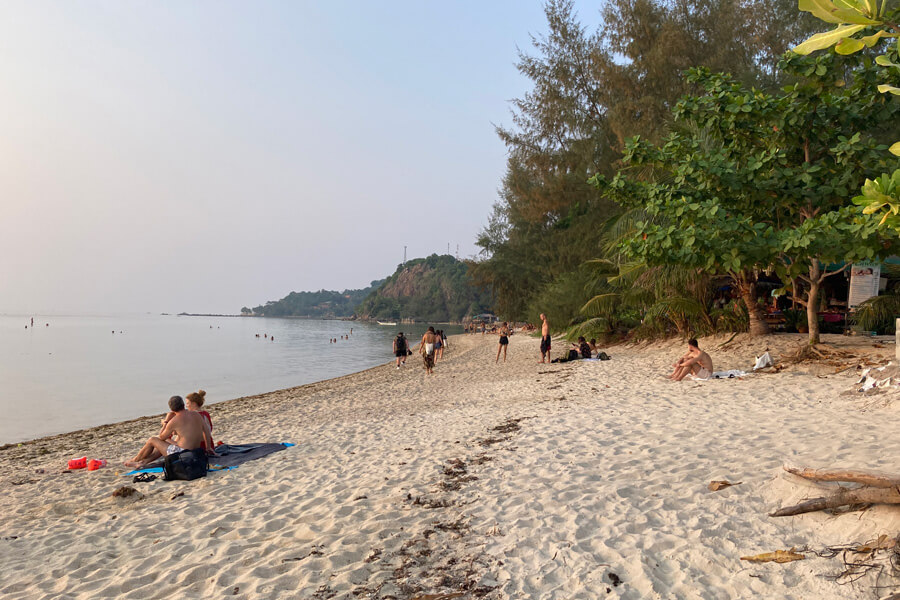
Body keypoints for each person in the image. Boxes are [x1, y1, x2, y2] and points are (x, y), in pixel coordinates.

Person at [125, 396, 214, 468]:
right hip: (195, 451)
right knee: (165, 444)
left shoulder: (174, 420)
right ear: (183, 405)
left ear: (172, 409)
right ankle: (143, 462)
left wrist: (166, 422)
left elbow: (161, 437)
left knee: (153, 440)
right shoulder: (196, 414)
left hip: (182, 454)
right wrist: (208, 447)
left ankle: (135, 460)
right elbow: (206, 431)